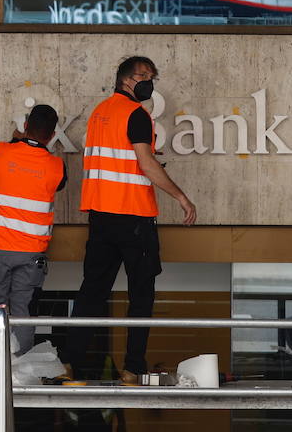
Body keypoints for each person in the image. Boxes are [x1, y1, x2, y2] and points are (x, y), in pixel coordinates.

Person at [60, 55, 196, 382]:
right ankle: (133, 368)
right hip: (133, 217)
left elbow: (116, 159)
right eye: (143, 75)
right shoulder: (137, 114)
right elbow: (145, 165)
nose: (149, 81)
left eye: (152, 75)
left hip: (101, 217)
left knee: (92, 291)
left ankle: (68, 361)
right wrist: (180, 196)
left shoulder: (99, 114)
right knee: (141, 295)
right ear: (125, 79)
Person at [0, 104, 65, 358]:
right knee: (24, 313)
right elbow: (59, 184)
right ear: (52, 134)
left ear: (25, 126)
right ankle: (19, 373)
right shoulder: (56, 166)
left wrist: (19, 138)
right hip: (31, 254)